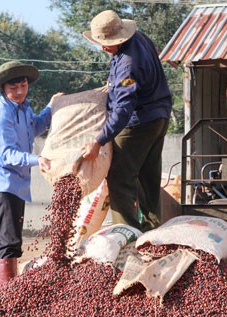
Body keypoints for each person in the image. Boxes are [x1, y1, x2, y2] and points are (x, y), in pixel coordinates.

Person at [81, 10, 172, 233]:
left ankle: (126, 234)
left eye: (108, 43)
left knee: (120, 178)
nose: (103, 47)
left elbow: (123, 110)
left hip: (137, 123)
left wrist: (99, 140)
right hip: (159, 116)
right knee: (147, 177)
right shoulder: (140, 38)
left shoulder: (127, 65)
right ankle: (152, 232)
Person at [0, 60, 63, 291]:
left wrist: (51, 107)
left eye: (23, 86)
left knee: (11, 241)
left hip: (16, 184)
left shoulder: (24, 108)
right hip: (2, 184)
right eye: (13, 88)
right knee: (8, 242)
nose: (19, 92)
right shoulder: (0, 115)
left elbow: (35, 127)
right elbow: (7, 154)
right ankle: (6, 296)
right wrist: (38, 159)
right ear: (3, 89)